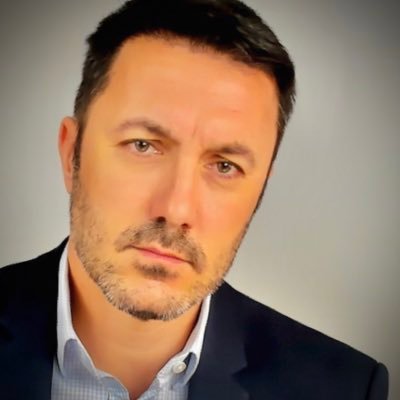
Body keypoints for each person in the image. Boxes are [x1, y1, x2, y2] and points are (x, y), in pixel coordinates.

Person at [0, 0, 389, 399]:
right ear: (71, 154)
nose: (176, 209)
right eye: (143, 145)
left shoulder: (345, 388)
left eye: (224, 166)